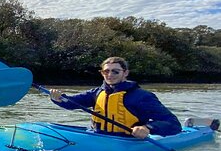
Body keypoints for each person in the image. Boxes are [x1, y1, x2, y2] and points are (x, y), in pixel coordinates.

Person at [49, 56, 181, 139]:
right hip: (98, 137)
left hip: (128, 141)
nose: (110, 74)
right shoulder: (96, 93)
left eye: (115, 71)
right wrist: (58, 98)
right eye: (106, 71)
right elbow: (72, 102)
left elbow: (173, 124)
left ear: (125, 73)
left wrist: (147, 128)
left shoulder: (142, 96)